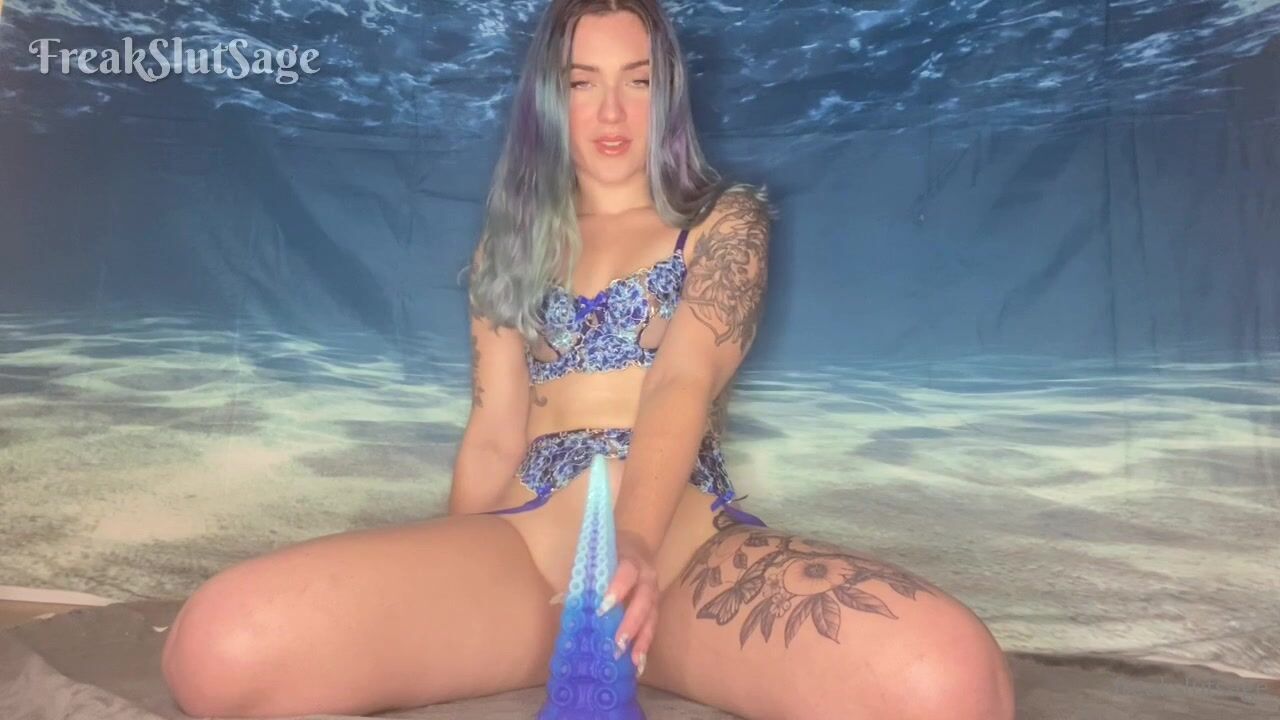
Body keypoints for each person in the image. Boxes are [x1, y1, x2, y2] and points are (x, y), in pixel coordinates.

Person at [160, 1, 1015, 718]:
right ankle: (534, 642)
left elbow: (681, 378)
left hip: (676, 552)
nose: (611, 113)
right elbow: (495, 433)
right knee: (218, 645)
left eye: (637, 82)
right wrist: (446, 568)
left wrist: (633, 547)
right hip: (524, 554)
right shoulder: (507, 249)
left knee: (949, 680)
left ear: (668, 94)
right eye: (582, 83)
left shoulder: (725, 222)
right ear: (548, 97)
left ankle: (635, 636)